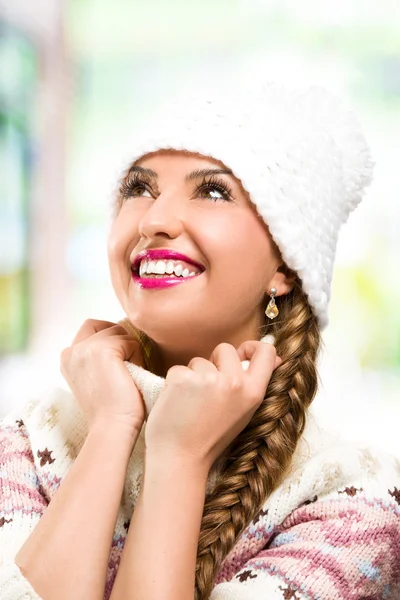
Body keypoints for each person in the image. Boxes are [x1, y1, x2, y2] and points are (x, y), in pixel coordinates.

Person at [0, 79, 399, 600]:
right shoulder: (33, 444)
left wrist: (179, 455)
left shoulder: (352, 503)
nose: (155, 219)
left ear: (286, 264)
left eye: (213, 191)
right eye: (138, 188)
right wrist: (113, 426)